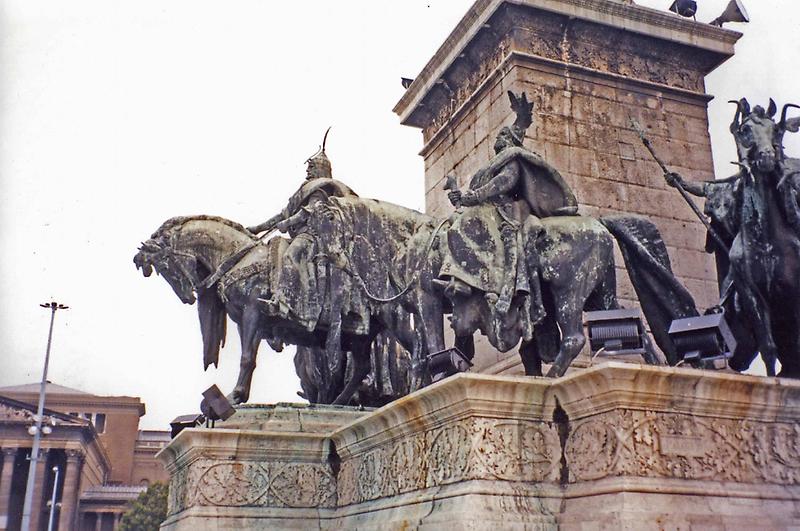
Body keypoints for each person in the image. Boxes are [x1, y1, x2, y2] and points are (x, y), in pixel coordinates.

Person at [444, 91, 578, 323]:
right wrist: (459, 196)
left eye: (503, 139)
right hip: (495, 211)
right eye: (498, 139)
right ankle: (464, 278)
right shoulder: (497, 164)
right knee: (458, 225)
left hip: (511, 212)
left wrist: (472, 197)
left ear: (510, 142)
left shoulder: (513, 162)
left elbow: (501, 184)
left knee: (483, 230)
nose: (498, 142)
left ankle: (506, 287)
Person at [249, 131, 357, 330]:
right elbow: (281, 215)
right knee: (276, 254)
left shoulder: (320, 188)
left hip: (314, 236)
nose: (308, 171)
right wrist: (257, 228)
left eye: (311, 167)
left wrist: (289, 221)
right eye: (308, 168)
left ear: (321, 170)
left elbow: (311, 210)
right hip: (301, 234)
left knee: (291, 256)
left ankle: (286, 302)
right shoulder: (304, 189)